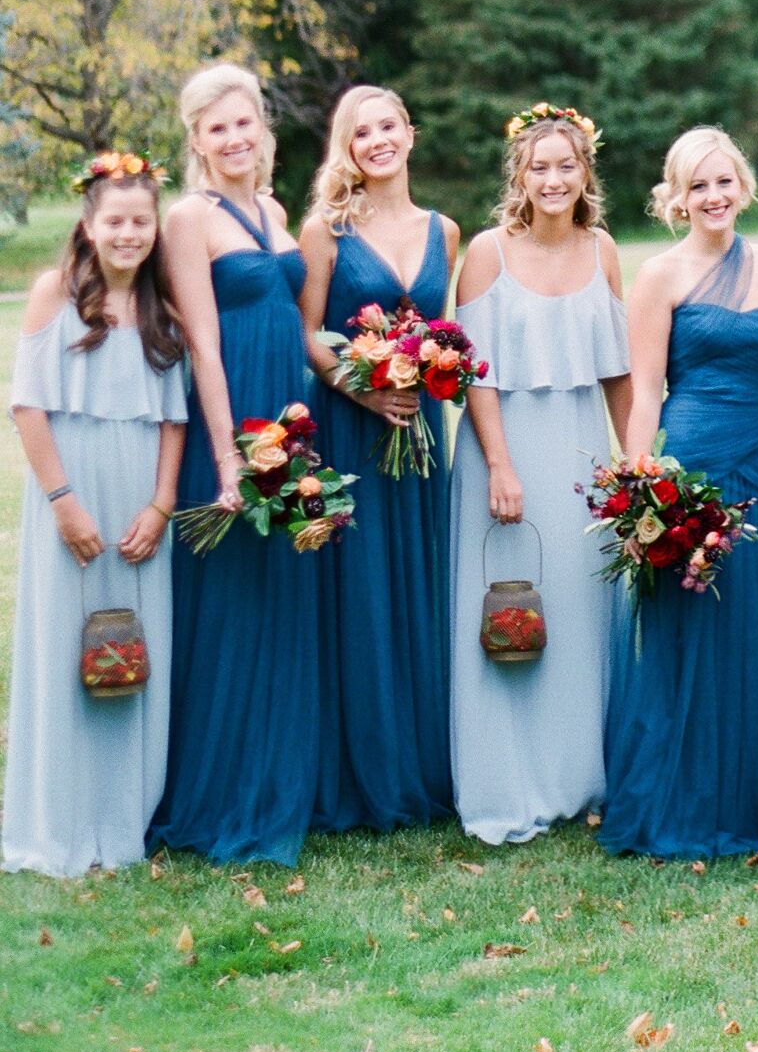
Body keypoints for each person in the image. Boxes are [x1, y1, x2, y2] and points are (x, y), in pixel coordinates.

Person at [600, 126, 758, 858]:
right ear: (677, 198)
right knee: (686, 629)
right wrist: (638, 479)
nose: (713, 197)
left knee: (754, 621)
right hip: (689, 467)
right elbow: (645, 388)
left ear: (742, 185)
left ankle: (751, 799)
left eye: (723, 182)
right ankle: (678, 797)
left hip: (757, 460)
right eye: (698, 186)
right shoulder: (660, 276)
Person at [150, 61, 324, 864]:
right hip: (233, 420)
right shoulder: (188, 219)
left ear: (263, 127)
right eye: (216, 128)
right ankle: (223, 791)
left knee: (281, 596)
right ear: (197, 139)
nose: (233, 138)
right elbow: (204, 346)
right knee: (232, 606)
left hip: (288, 414)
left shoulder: (275, 208)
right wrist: (228, 457)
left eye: (243, 123)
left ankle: (281, 776)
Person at [449, 104, 629, 844]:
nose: (553, 179)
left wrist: (635, 464)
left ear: (585, 172)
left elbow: (620, 368)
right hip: (509, 446)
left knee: (584, 615)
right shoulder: (490, 252)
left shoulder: (604, 249)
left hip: (584, 449)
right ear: (518, 175)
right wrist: (499, 464)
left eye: (567, 165)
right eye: (540, 166)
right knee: (510, 608)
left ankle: (583, 777)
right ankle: (507, 782)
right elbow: (474, 372)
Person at [6, 154, 187, 876]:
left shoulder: (159, 304)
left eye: (141, 222)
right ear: (89, 224)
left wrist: (162, 504)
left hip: (140, 496)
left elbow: (174, 420)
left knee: (135, 651)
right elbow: (27, 404)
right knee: (67, 645)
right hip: (75, 491)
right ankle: (58, 823)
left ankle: (122, 820)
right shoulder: (58, 292)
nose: (128, 234)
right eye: (115, 221)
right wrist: (63, 502)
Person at [298, 85, 457, 831]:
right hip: (352, 429)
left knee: (417, 587)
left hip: (420, 432)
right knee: (359, 592)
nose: (377, 141)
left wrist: (433, 370)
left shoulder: (444, 231)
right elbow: (307, 334)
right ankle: (361, 774)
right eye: (361, 133)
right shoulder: (327, 231)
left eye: (388, 125)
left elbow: (442, 332)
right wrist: (360, 390)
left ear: (410, 133)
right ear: (348, 147)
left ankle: (421, 763)